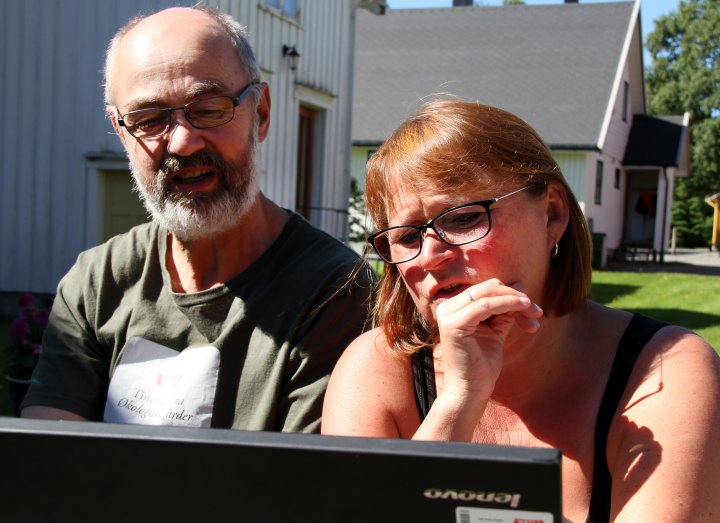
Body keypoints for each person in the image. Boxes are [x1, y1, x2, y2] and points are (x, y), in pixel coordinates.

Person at [322, 100, 720, 521]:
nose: (430, 257)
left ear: (553, 214)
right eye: (405, 237)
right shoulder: (377, 370)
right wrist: (457, 403)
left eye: (462, 218)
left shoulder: (664, 370)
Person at [21, 5, 373, 433]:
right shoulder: (98, 283)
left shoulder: (336, 295)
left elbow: (307, 489)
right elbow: (48, 460)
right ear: (120, 131)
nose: (184, 143)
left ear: (259, 113)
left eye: (208, 109)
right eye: (149, 120)